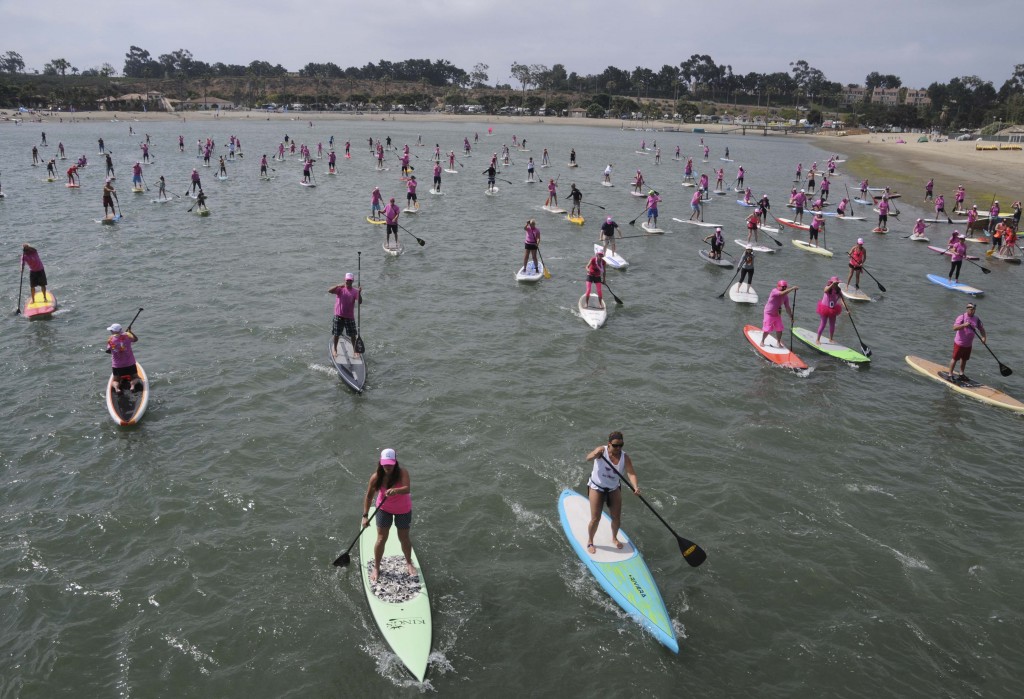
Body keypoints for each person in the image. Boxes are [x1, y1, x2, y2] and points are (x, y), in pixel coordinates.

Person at [361, 448, 416, 583]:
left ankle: (408, 563)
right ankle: (377, 567)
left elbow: (407, 488)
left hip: (403, 510)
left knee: (404, 537)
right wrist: (365, 515)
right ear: (380, 462)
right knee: (381, 538)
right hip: (383, 509)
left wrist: (396, 490)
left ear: (395, 462)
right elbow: (369, 497)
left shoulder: (402, 472)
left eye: (390, 464)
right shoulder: (376, 477)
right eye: (385, 464)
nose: (388, 467)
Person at [583, 431, 638, 554]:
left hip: (613, 488)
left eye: (621, 445)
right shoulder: (601, 451)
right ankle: (590, 541)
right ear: (609, 444)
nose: (618, 448)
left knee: (616, 518)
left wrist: (635, 486)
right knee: (595, 518)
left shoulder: (625, 457)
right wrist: (594, 454)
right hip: (597, 487)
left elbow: (631, 473)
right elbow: (588, 458)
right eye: (615, 445)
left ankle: (614, 538)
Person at [948, 303, 986, 382]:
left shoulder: (976, 319)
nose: (973, 311)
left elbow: (981, 329)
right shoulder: (961, 317)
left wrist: (983, 337)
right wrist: (964, 325)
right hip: (959, 343)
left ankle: (961, 374)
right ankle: (950, 375)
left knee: (964, 359)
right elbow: (954, 328)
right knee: (955, 359)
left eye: (974, 310)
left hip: (968, 344)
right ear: (967, 309)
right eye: (971, 309)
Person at [329, 273, 363, 357]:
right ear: (345, 280)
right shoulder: (340, 289)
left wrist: (359, 293)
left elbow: (360, 302)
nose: (348, 282)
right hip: (339, 315)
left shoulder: (355, 291)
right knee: (336, 334)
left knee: (353, 335)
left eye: (350, 280)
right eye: (347, 280)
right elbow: (329, 290)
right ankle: (335, 350)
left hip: (349, 316)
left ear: (352, 281)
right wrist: (337, 285)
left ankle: (355, 350)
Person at [105, 323, 142, 394]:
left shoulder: (110, 340)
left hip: (117, 365)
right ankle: (132, 386)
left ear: (113, 331)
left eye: (111, 330)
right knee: (135, 377)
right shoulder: (127, 336)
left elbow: (109, 351)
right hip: (130, 363)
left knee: (115, 380)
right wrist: (130, 332)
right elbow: (136, 339)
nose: (110, 332)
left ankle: (117, 389)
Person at [760, 279, 798, 348]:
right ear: (778, 286)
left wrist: (791, 316)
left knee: (780, 329)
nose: (784, 288)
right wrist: (792, 288)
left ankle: (778, 342)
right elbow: (781, 293)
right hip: (768, 313)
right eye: (782, 287)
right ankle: (762, 341)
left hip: (777, 314)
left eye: (785, 287)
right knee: (767, 329)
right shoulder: (774, 291)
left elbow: (787, 308)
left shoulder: (786, 297)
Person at [816, 276, 843, 344]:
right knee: (823, 324)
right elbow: (825, 290)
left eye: (837, 283)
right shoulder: (827, 287)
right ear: (831, 282)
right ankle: (817, 339)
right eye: (835, 283)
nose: (836, 284)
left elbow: (842, 299)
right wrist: (832, 285)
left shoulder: (838, 290)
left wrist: (847, 309)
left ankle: (831, 339)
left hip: (833, 309)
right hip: (824, 308)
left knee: (832, 324)